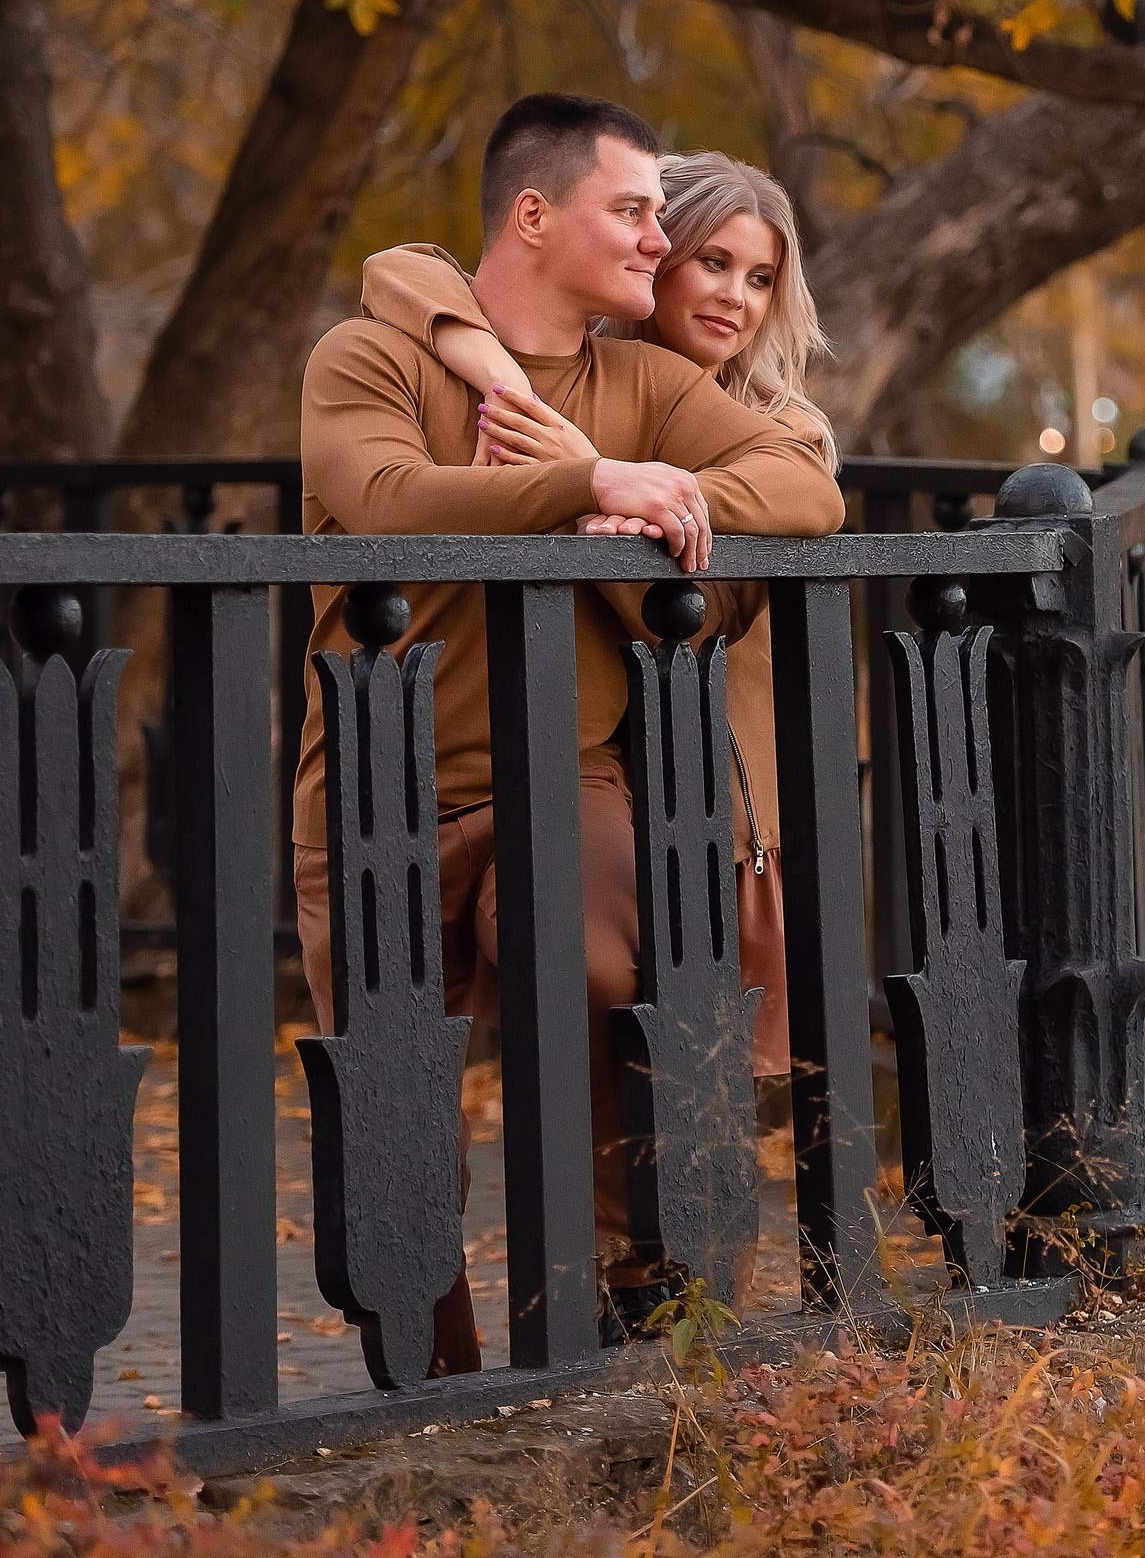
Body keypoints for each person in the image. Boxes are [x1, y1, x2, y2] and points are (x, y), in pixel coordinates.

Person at [293, 94, 845, 1368]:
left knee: (600, 972)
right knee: (393, 1115)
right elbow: (384, 498)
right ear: (534, 215)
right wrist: (589, 480)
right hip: (378, 798)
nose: (660, 241)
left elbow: (804, 484)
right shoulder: (367, 358)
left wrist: (674, 492)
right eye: (637, 212)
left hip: (570, 778)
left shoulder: (647, 382)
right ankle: (431, 1386)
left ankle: (620, 1319)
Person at [358, 154, 837, 1091]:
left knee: (687, 1093)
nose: (735, 296)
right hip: (585, 779)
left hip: (711, 800)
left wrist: (637, 488)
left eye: (761, 277)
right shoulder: (577, 381)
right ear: (648, 250)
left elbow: (703, 616)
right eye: (710, 261)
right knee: (585, 1057)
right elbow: (396, 269)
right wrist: (520, 395)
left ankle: (685, 1246)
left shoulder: (773, 428)